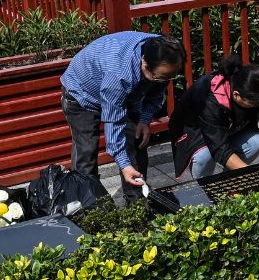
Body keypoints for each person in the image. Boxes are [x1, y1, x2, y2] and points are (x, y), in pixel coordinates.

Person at [59, 31, 184, 194]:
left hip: (121, 91)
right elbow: (113, 122)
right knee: (86, 152)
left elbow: (157, 90)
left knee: (135, 142)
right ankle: (86, 206)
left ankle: (137, 203)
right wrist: (124, 164)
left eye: (169, 77)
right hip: (81, 93)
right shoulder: (118, 75)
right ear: (144, 63)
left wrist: (144, 120)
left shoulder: (162, 50)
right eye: (160, 77)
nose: (165, 81)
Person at [169, 56, 259, 180]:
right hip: (195, 132)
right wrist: (252, 176)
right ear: (236, 95)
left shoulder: (254, 86)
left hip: (228, 127)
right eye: (254, 103)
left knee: (254, 142)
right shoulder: (208, 98)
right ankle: (204, 188)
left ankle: (229, 179)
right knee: (205, 156)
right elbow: (219, 148)